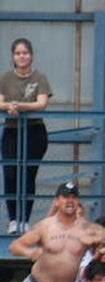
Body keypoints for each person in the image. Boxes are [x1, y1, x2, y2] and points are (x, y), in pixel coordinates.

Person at [0, 38, 53, 232]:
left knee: (28, 174)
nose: (21, 57)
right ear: (13, 56)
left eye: (25, 53)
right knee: (10, 174)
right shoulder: (5, 78)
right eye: (18, 53)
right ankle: (14, 219)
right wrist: (10, 106)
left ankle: (24, 220)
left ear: (31, 56)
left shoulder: (40, 77)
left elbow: (42, 103)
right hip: (12, 130)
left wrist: (20, 106)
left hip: (34, 131)